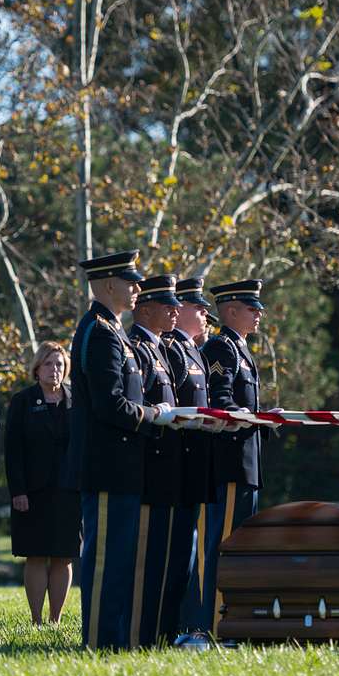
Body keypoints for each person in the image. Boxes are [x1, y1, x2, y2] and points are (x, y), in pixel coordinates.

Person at [68, 252, 174, 650]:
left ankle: (113, 640)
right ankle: (98, 641)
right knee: (104, 563)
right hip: (107, 464)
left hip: (123, 465)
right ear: (108, 285)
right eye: (130, 283)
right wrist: (153, 416)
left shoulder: (114, 332)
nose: (136, 290)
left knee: (120, 562)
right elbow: (109, 403)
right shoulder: (98, 331)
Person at [192, 278, 270, 639]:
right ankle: (209, 624)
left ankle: (233, 621)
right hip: (227, 463)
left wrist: (264, 416)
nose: (258, 316)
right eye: (251, 309)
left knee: (240, 548)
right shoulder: (221, 348)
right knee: (220, 548)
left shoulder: (240, 349)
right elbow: (220, 400)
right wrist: (244, 415)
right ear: (231, 310)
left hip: (245, 463)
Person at [127, 276, 186, 647]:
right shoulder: (138, 347)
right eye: (168, 306)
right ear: (145, 309)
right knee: (145, 561)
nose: (176, 311)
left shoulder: (161, 348)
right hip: (149, 467)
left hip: (168, 469)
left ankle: (160, 632)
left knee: (165, 560)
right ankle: (141, 633)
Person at [4, 341, 75, 626]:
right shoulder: (23, 401)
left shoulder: (76, 401)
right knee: (35, 555)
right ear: (37, 368)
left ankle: (55, 619)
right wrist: (18, 490)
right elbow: (12, 450)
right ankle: (36, 619)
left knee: (63, 556)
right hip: (32, 492)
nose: (54, 369)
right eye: (48, 363)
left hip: (69, 491)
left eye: (59, 364)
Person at [168, 276, 215, 644]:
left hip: (196, 463)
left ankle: (186, 621)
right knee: (177, 552)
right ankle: (177, 623)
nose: (204, 313)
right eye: (197, 306)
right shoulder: (172, 349)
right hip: (177, 464)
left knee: (190, 551)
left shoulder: (195, 350)